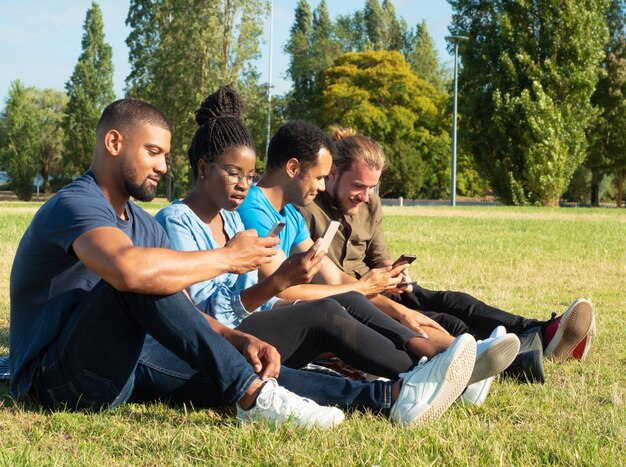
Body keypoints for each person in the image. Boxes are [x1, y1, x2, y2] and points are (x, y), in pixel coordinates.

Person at [8, 97, 480, 428]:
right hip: (58, 381)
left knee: (235, 363)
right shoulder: (76, 205)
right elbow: (130, 275)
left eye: (165, 156)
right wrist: (228, 259)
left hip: (126, 367)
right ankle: (253, 398)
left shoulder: (144, 224)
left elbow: (181, 307)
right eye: (153, 152)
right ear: (113, 143)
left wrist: (238, 337)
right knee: (140, 280)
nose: (163, 167)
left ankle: (391, 397)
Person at [154, 86, 517, 389]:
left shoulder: (234, 221)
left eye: (249, 176)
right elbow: (200, 316)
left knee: (358, 303)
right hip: (225, 339)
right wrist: (288, 283)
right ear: (204, 169)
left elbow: (308, 283)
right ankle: (425, 374)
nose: (244, 185)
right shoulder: (181, 222)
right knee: (330, 309)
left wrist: (359, 292)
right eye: (235, 173)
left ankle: (441, 358)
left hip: (257, 321)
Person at [236, 119, 521, 404]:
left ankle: (448, 361)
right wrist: (363, 289)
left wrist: (397, 311)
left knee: (374, 304)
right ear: (293, 168)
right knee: (338, 306)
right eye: (320, 177)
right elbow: (281, 289)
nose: (323, 186)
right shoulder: (253, 209)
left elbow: (333, 277)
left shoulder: (290, 215)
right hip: (256, 323)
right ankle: (434, 370)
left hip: (280, 314)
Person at [296, 127, 596, 384]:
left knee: (455, 301)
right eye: (358, 186)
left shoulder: (370, 203)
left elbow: (379, 257)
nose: (365, 196)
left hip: (379, 286)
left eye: (372, 187)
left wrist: (394, 273)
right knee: (440, 321)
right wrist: (373, 287)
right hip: (356, 296)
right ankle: (519, 358)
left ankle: (541, 331)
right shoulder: (308, 208)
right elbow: (331, 281)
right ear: (333, 174)